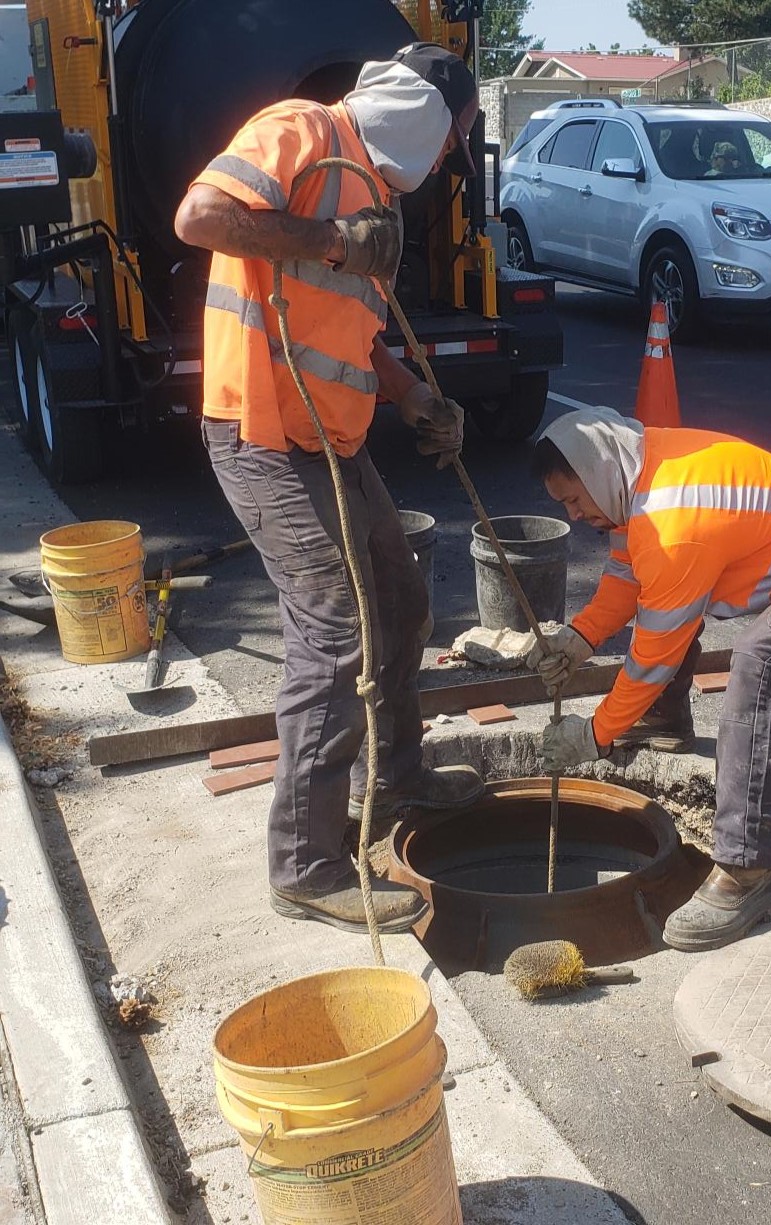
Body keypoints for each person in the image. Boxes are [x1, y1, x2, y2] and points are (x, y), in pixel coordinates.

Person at [174, 43, 485, 935]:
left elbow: (357, 330)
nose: (445, 161)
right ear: (427, 113)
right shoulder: (303, 133)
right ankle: (306, 864)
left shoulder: (374, 197)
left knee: (402, 595)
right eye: (453, 137)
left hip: (330, 442)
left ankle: (393, 781)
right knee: (336, 626)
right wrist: (329, 239)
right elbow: (200, 216)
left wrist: (418, 394)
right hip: (262, 434)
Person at [528, 408, 771, 951]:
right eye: (563, 503)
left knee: (761, 659)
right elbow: (627, 574)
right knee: (667, 599)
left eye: (574, 499)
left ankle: (748, 872)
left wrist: (596, 734)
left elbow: (655, 650)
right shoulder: (632, 476)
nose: (574, 512)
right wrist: (582, 636)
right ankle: (662, 718)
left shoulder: (672, 520)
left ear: (598, 472)